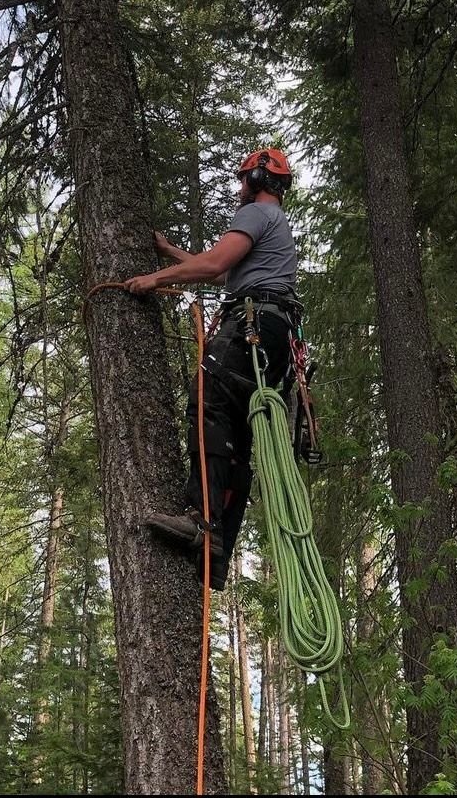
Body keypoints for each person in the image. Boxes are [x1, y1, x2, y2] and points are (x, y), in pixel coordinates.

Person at [126, 148, 301, 589]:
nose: (240, 189)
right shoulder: (275, 226)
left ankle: (203, 523)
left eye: (244, 180)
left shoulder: (257, 216)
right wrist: (172, 252)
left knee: (209, 405)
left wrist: (154, 278)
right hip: (271, 337)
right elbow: (227, 275)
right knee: (238, 441)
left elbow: (216, 264)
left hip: (251, 327)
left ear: (258, 179)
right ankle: (218, 547)